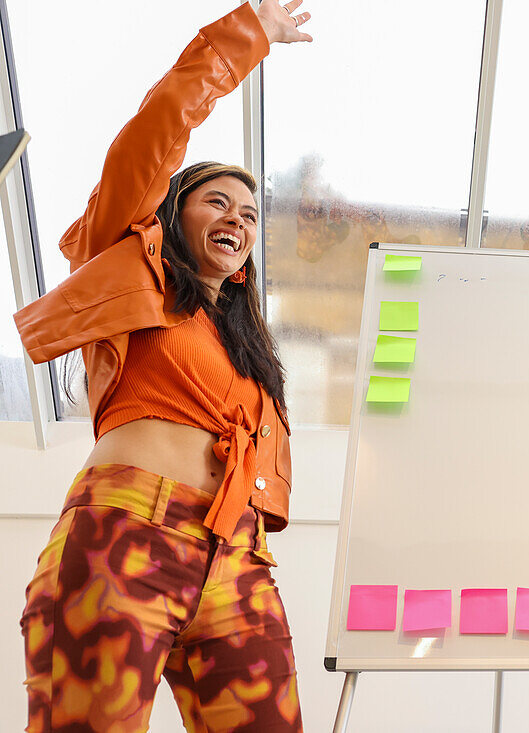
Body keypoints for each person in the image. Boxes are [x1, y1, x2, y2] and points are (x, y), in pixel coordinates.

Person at [13, 2, 312, 730]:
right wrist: (246, 40)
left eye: (248, 215)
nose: (237, 221)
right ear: (172, 214)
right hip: (126, 534)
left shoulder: (243, 349)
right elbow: (156, 132)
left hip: (237, 557)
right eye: (218, 202)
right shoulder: (128, 267)